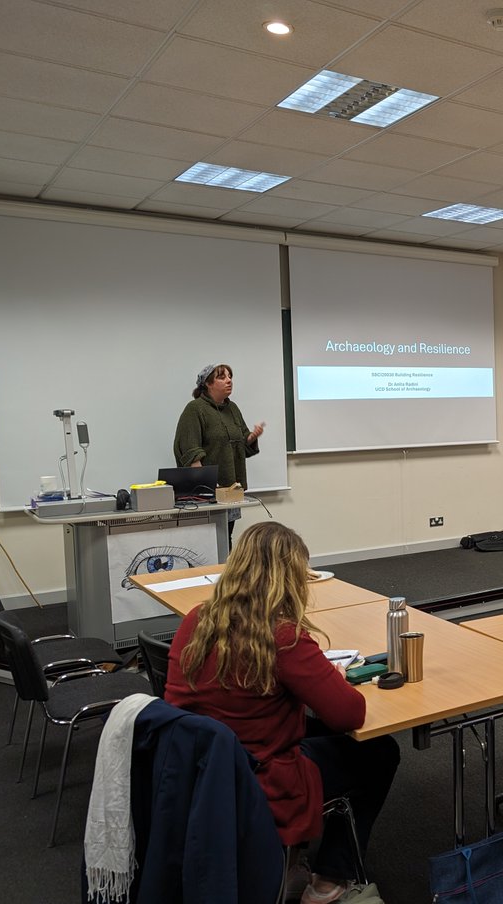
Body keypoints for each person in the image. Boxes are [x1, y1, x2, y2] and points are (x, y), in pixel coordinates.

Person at [165, 522, 399, 904]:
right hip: (258, 775)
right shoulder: (280, 636)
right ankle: (329, 880)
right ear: (289, 579)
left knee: (316, 732)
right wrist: (328, 679)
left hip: (196, 767)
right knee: (380, 751)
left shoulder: (197, 620)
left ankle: (289, 866)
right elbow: (349, 714)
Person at [173, 364, 264, 537]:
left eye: (230, 377)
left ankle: (225, 565)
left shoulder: (233, 408)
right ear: (208, 383)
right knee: (208, 540)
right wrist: (206, 486)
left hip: (231, 489)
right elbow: (189, 448)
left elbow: (242, 443)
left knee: (225, 537)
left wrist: (252, 437)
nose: (229, 380)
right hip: (207, 493)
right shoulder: (195, 409)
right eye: (222, 377)